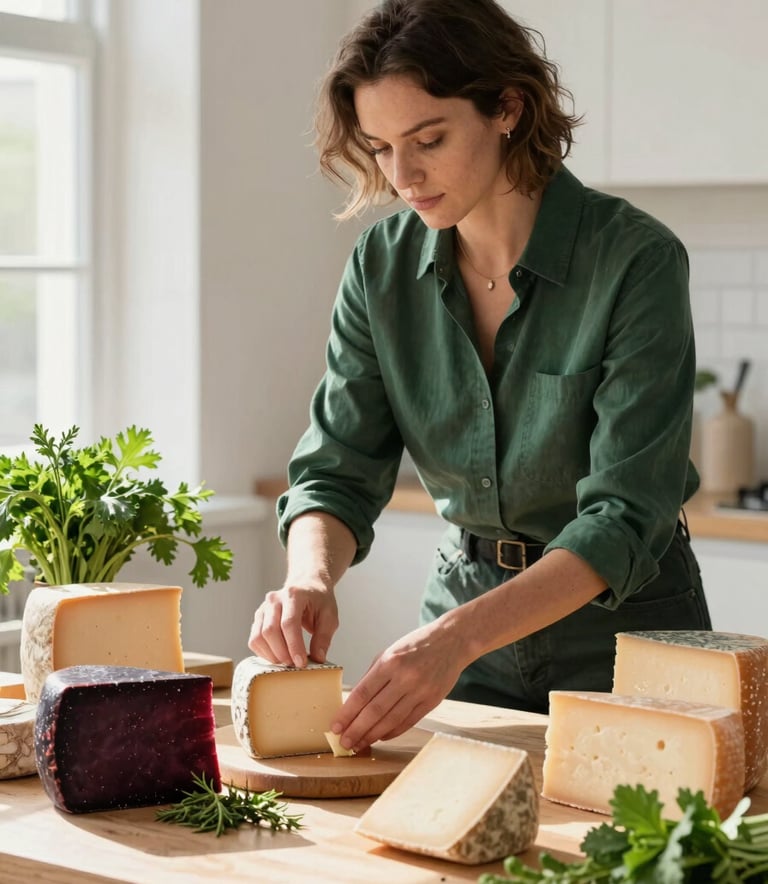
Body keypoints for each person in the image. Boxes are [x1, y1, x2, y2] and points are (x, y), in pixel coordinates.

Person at [248, 0, 711, 754]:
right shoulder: (380, 266)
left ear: (507, 108)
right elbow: (336, 467)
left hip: (625, 637)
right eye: (381, 146)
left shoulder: (634, 260)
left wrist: (451, 640)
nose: (402, 175)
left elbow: (624, 517)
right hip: (466, 624)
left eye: (428, 139)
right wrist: (310, 579)